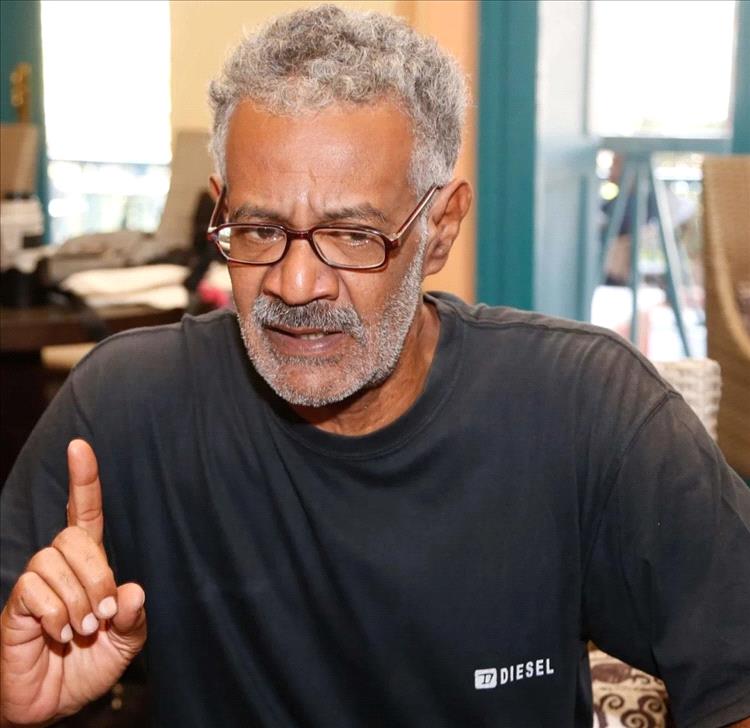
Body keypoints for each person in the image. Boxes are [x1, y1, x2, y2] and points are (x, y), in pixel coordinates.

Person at [1, 5, 749, 727]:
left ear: (440, 228)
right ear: (220, 208)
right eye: (259, 229)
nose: (296, 284)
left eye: (353, 235)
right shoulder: (127, 408)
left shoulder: (584, 407)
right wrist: (16, 705)